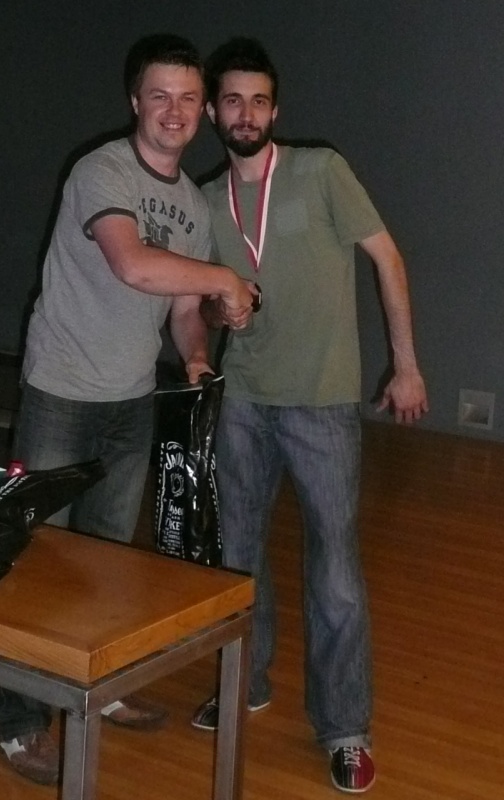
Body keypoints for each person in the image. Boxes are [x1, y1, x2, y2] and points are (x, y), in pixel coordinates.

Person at [0, 33, 259, 786]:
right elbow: (133, 263)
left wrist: (197, 356)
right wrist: (223, 279)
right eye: (159, 95)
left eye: (188, 98)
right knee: (36, 557)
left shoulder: (192, 206)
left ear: (203, 111)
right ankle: (17, 721)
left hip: (131, 401)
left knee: (107, 564)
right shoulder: (101, 170)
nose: (174, 110)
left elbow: (181, 311)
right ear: (135, 101)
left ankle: (93, 689)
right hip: (62, 393)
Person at [191, 38, 429, 795]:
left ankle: (345, 727)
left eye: (259, 100)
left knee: (336, 572)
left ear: (275, 110)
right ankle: (245, 682)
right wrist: (218, 316)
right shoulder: (205, 200)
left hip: (322, 402)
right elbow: (200, 303)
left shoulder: (322, 170)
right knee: (237, 557)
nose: (246, 113)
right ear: (213, 112)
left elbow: (387, 258)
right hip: (243, 400)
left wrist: (406, 364)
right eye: (233, 100)